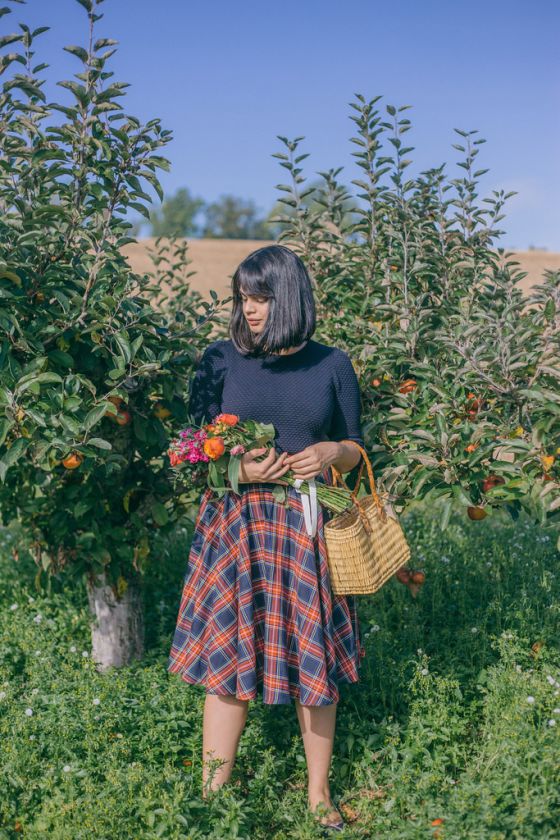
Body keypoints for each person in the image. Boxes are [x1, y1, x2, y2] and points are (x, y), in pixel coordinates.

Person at [167, 244, 367, 833]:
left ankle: (318, 795)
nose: (248, 309)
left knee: (315, 664)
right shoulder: (218, 360)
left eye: (260, 298)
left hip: (306, 530)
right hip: (236, 530)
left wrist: (335, 451)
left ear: (290, 299)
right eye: (242, 297)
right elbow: (190, 451)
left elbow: (356, 449)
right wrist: (239, 470)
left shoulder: (333, 365)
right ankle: (211, 795)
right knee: (228, 663)